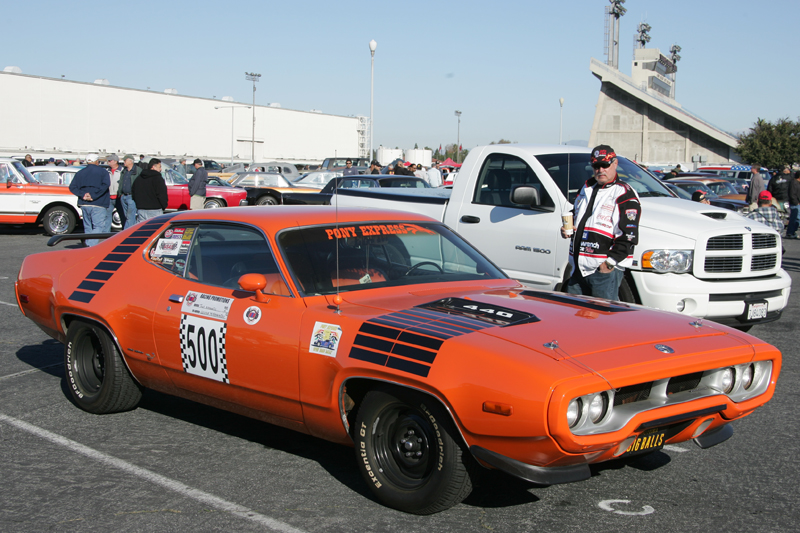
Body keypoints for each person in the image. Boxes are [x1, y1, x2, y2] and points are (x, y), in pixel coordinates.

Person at [560, 145, 641, 301]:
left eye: (605, 165)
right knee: (573, 318)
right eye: (596, 166)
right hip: (578, 269)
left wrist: (609, 264)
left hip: (602, 271)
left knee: (603, 321)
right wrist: (566, 227)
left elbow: (629, 235)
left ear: (615, 164)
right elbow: (577, 214)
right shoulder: (586, 188)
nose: (600, 170)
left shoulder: (623, 193)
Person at [68, 153, 110, 246]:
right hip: (99, 203)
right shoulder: (103, 172)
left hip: (84, 203)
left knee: (88, 226)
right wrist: (93, 196)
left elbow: (72, 187)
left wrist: (83, 195)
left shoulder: (80, 172)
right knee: (98, 226)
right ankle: (90, 246)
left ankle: (88, 244)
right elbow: (105, 185)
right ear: (96, 161)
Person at [118, 155, 141, 229]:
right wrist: (120, 193)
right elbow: (121, 182)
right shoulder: (124, 171)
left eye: (125, 160)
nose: (124, 162)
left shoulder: (138, 170)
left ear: (130, 161)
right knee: (127, 217)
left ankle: (127, 233)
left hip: (132, 196)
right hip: (124, 196)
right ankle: (132, 231)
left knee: (130, 217)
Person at [105, 154, 123, 232]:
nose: (108, 162)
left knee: (123, 216)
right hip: (109, 197)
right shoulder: (107, 171)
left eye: (110, 160)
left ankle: (125, 233)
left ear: (115, 161)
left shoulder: (122, 171)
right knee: (107, 217)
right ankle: (105, 235)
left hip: (119, 197)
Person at [785, 171, 800, 239]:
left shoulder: (797, 183)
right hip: (795, 204)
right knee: (794, 218)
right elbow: (792, 194)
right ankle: (790, 232)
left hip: (796, 203)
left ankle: (793, 232)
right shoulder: (794, 183)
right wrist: (796, 202)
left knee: (797, 219)